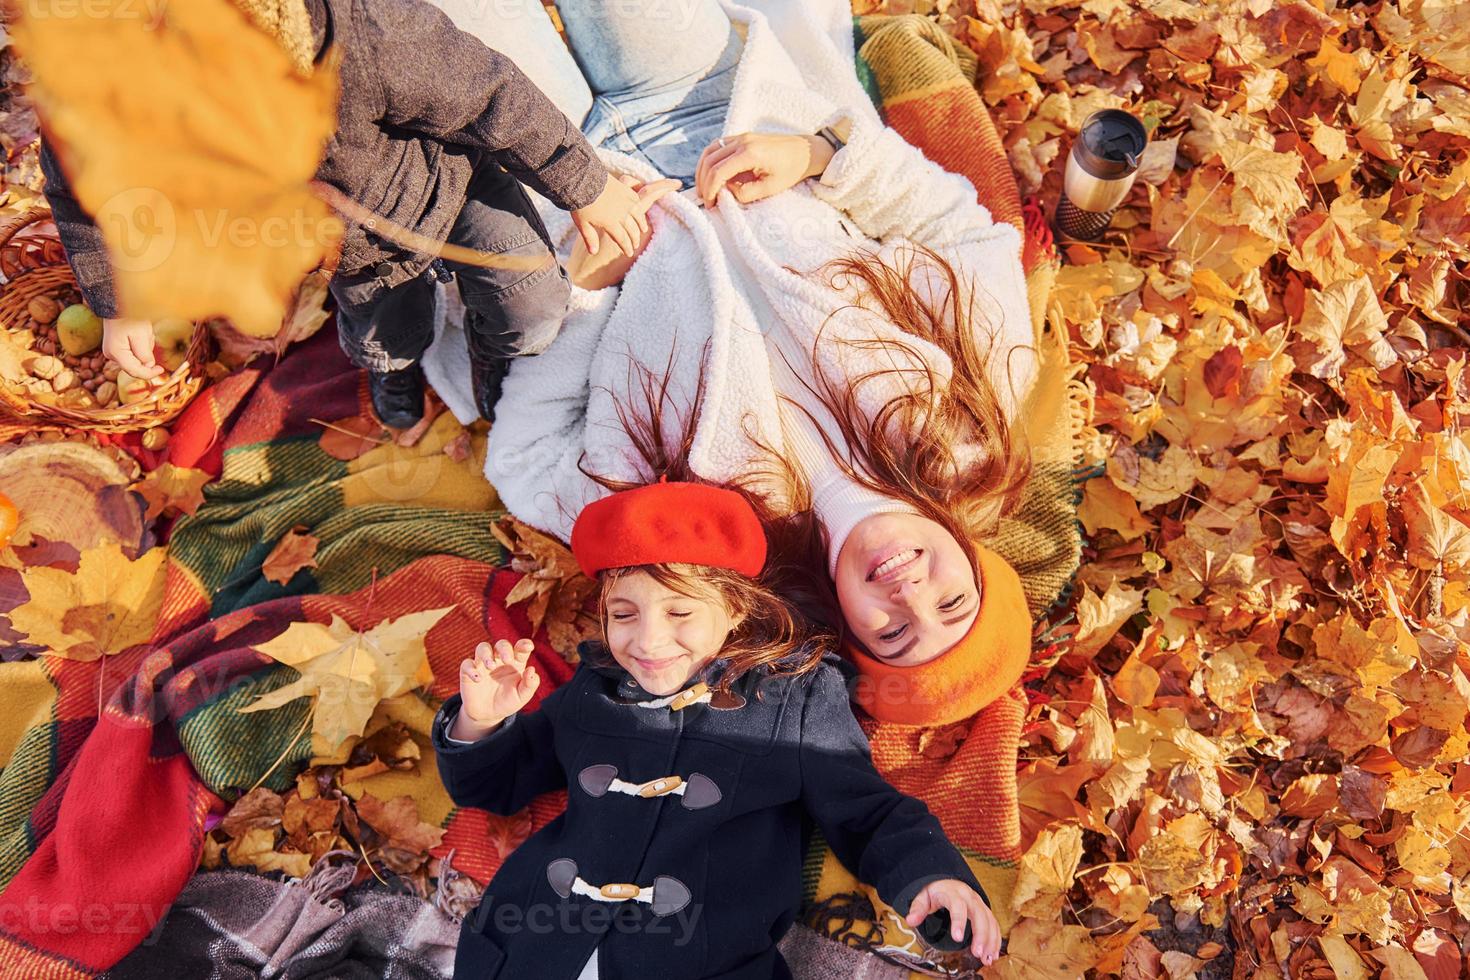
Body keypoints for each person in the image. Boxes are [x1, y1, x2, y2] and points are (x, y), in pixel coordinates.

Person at [422, 0, 1037, 705]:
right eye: (953, 604)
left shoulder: (714, 557)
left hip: (553, 192)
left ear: (848, 627)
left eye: (894, 634)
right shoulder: (973, 407)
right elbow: (964, 235)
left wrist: (586, 293)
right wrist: (818, 158)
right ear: (978, 565)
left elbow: (526, 459)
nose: (910, 597)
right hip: (711, 112)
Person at [431, 480, 1002, 979]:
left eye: (680, 614)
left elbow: (866, 810)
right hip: (530, 951)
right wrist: (480, 720)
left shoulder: (793, 697)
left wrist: (929, 877)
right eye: (623, 614)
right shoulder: (595, 689)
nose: (648, 642)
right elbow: (495, 788)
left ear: (734, 611)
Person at [37, 0, 655, 430]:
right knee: (388, 333)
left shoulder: (364, 35)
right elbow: (87, 194)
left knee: (531, 305)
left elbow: (493, 93)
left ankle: (491, 353)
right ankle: (397, 371)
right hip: (348, 248)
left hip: (451, 181)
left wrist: (586, 185)